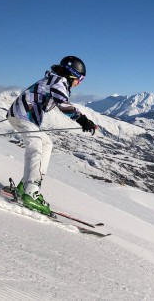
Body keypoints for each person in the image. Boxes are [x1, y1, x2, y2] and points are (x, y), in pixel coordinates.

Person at [7, 56, 97, 215]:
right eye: (79, 79)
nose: (79, 83)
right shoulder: (59, 82)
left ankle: (25, 186)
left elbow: (50, 102)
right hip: (23, 115)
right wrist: (83, 121)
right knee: (35, 149)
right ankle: (31, 192)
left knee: (46, 144)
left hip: (24, 115)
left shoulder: (54, 80)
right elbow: (63, 104)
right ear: (72, 74)